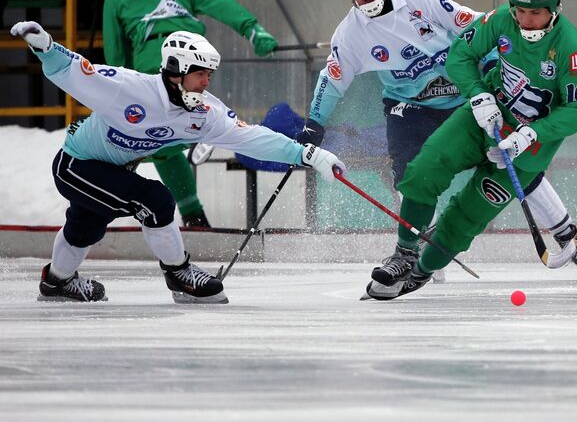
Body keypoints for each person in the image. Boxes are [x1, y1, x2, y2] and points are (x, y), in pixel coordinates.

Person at [297, 0, 577, 290]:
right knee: (411, 175)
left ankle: (568, 238)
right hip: (409, 107)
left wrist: (492, 73)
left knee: (518, 165)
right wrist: (313, 125)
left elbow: (475, 27)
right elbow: (332, 80)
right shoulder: (350, 34)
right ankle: (411, 252)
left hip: (468, 98)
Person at [10, 21, 345, 304]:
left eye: (209, 75)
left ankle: (56, 283)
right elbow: (77, 72)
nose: (206, 82)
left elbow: (250, 137)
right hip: (76, 166)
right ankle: (179, 274)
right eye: (200, 74)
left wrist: (308, 155)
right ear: (176, 71)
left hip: (111, 171)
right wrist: (45, 46)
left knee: (86, 226)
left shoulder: (203, 112)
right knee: (155, 200)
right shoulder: (130, 89)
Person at [102, 0, 279, 227]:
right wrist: (252, 30)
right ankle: (194, 214)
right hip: (196, 56)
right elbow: (220, 3)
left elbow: (115, 52)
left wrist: (119, 91)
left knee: (151, 139)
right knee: (168, 138)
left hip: (156, 61)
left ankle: (191, 138)